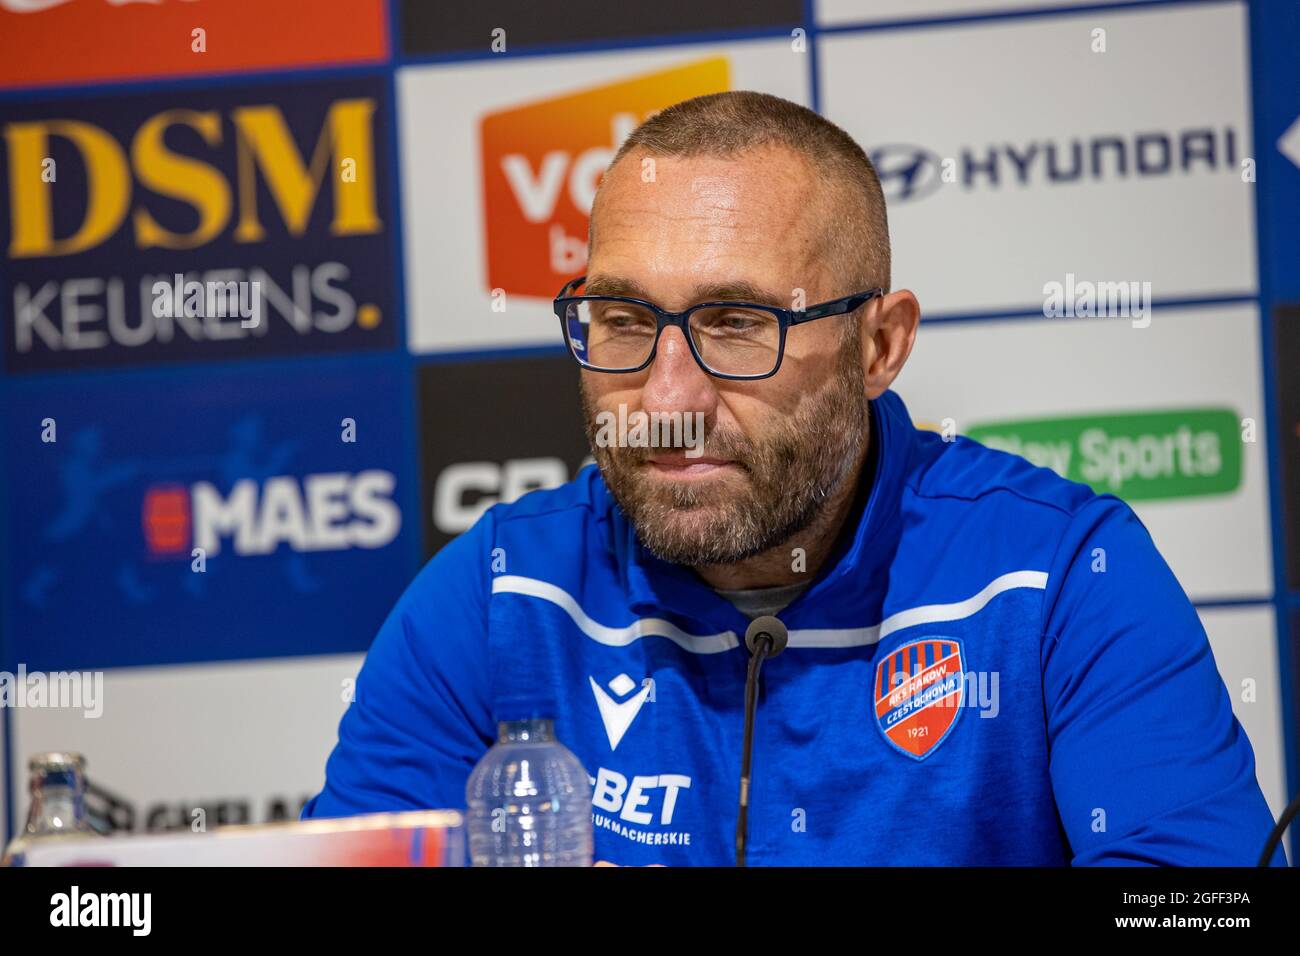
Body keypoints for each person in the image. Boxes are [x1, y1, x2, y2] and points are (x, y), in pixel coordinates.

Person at [304, 91, 1285, 866]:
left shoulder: (1058, 576)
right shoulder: (496, 594)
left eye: (737, 322)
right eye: (623, 319)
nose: (667, 392)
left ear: (879, 344)